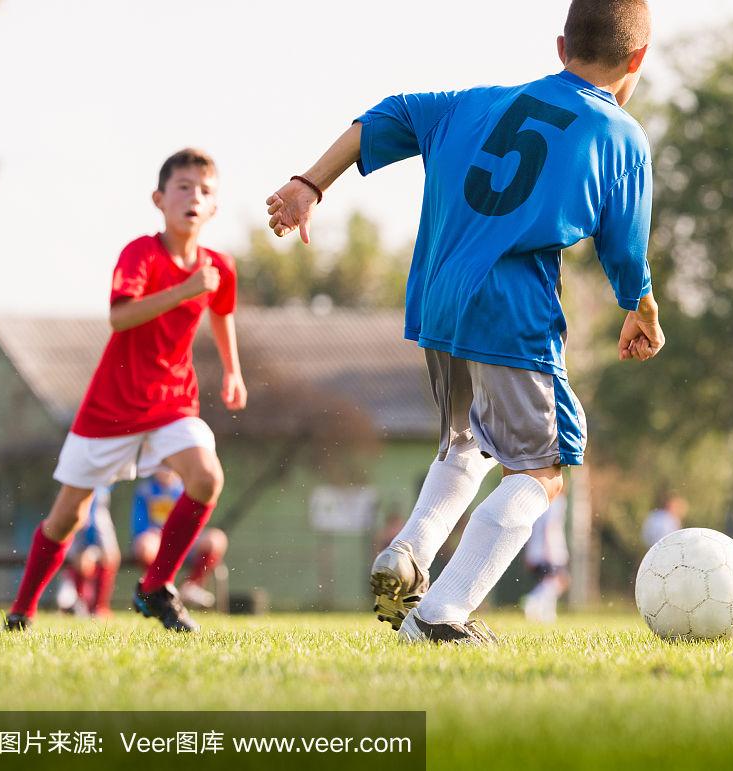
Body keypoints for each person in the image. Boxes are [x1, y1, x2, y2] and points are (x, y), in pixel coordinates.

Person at [266, 0, 662, 644]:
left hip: (437, 300)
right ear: (638, 60)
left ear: (561, 47)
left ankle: (410, 551)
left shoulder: (477, 101)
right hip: (508, 309)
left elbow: (389, 113)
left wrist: (312, 183)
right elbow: (625, 252)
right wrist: (640, 309)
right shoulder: (620, 136)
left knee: (468, 443)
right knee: (542, 470)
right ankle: (441, 615)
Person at [4, 148, 246, 633]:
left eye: (204, 190)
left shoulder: (218, 266)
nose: (193, 197)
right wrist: (185, 289)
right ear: (159, 199)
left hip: (174, 402)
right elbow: (120, 315)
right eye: (182, 187)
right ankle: (22, 611)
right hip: (111, 409)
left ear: (215, 208)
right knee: (66, 518)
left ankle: (156, 588)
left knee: (206, 478)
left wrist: (231, 370)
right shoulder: (141, 253)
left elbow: (220, 310)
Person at [133, 469, 229, 609]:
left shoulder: (188, 488)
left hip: (184, 542)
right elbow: (139, 526)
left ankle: (191, 587)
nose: (166, 470)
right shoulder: (145, 490)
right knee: (145, 545)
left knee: (216, 539)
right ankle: (156, 588)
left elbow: (195, 522)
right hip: (157, 542)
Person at [55, 486, 120, 618]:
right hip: (76, 542)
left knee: (110, 557)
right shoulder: (72, 490)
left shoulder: (100, 496)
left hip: (94, 539)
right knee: (80, 562)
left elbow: (98, 522)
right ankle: (80, 603)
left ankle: (99, 606)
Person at [522, 493, 570, 624]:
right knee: (555, 581)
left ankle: (546, 611)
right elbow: (550, 527)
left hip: (536, 549)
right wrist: (551, 551)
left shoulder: (539, 501)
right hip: (549, 549)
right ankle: (533, 602)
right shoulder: (556, 502)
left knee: (550, 581)